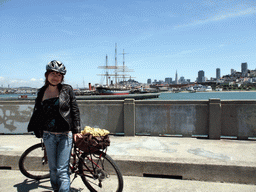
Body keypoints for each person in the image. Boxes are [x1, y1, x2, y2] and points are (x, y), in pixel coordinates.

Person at [27, 60, 81, 192]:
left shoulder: (67, 90)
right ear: (47, 75)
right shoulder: (41, 92)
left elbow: (75, 110)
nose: (55, 77)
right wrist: (37, 129)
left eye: (59, 74)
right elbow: (38, 112)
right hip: (48, 135)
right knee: (53, 169)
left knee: (62, 170)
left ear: (62, 77)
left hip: (65, 135)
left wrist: (76, 131)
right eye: (53, 73)